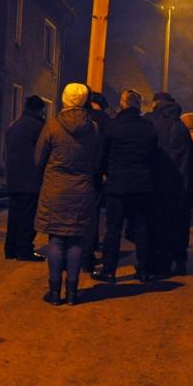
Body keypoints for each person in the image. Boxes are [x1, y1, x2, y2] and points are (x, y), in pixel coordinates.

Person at [35, 83, 101, 305]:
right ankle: (72, 292)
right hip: (82, 189)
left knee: (56, 239)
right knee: (76, 239)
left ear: (64, 98)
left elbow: (39, 158)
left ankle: (54, 292)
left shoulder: (52, 126)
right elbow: (97, 160)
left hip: (55, 188)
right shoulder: (93, 128)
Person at [91, 89, 159, 284]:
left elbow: (102, 155)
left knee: (113, 229)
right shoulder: (148, 127)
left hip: (117, 184)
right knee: (141, 227)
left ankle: (109, 270)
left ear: (123, 104)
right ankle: (144, 269)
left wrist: (101, 174)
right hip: (142, 184)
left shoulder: (113, 126)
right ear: (139, 105)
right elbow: (154, 156)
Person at [145, 92, 193, 275]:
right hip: (181, 184)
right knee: (178, 225)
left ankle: (161, 265)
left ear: (156, 104)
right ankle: (180, 261)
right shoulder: (181, 126)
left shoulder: (153, 123)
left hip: (159, 183)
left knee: (159, 225)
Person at [4, 95, 46, 262]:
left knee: (14, 215)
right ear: (40, 110)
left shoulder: (13, 126)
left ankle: (10, 249)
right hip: (31, 179)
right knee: (28, 216)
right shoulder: (39, 127)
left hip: (14, 178)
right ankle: (24, 249)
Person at [81, 90, 110, 272]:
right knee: (92, 216)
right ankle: (87, 256)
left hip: (71, 174)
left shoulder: (77, 118)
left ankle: (69, 255)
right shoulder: (105, 121)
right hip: (94, 175)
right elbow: (107, 149)